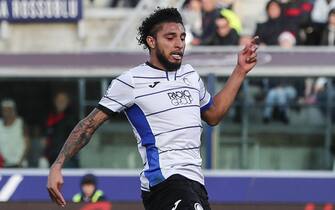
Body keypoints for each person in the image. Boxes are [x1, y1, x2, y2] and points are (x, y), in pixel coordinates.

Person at [47, 8, 258, 210]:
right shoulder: (131, 81)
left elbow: (213, 115)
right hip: (164, 181)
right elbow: (88, 125)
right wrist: (58, 165)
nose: (179, 44)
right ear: (151, 41)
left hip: (195, 183)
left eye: (182, 38)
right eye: (170, 37)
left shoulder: (191, 76)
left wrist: (240, 70)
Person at [44, 91, 79, 168]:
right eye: (59, 100)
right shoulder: (51, 117)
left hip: (67, 159)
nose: (60, 102)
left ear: (68, 102)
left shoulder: (72, 118)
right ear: (55, 101)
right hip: (52, 157)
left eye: (63, 100)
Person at [0, 99, 29, 167]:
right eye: (5, 110)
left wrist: (20, 161)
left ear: (14, 111)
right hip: (3, 165)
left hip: (20, 164)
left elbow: (27, 144)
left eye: (9, 110)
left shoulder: (21, 123)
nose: (7, 112)